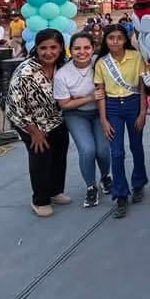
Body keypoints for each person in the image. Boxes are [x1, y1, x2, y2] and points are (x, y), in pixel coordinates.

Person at [5, 29, 71, 217]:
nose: (48, 52)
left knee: (59, 155)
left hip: (56, 119)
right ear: (36, 48)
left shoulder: (63, 65)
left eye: (53, 47)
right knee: (41, 159)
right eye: (43, 48)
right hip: (29, 122)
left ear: (61, 48)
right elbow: (16, 106)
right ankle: (40, 200)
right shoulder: (25, 71)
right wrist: (34, 132)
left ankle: (55, 191)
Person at [95, 23, 149, 218]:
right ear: (106, 40)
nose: (115, 42)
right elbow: (100, 93)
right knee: (116, 152)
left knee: (136, 146)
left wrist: (143, 112)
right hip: (112, 107)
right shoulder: (101, 63)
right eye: (111, 38)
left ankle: (139, 183)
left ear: (125, 39)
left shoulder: (136, 57)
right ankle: (120, 194)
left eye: (119, 38)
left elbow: (142, 87)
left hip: (133, 103)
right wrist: (103, 119)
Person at [54, 32, 111, 208]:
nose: (82, 52)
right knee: (87, 150)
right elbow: (64, 104)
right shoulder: (62, 74)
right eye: (77, 48)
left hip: (99, 112)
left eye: (87, 47)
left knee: (102, 150)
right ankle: (90, 187)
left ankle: (105, 177)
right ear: (70, 50)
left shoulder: (100, 63)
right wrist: (90, 97)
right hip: (76, 114)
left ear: (93, 49)